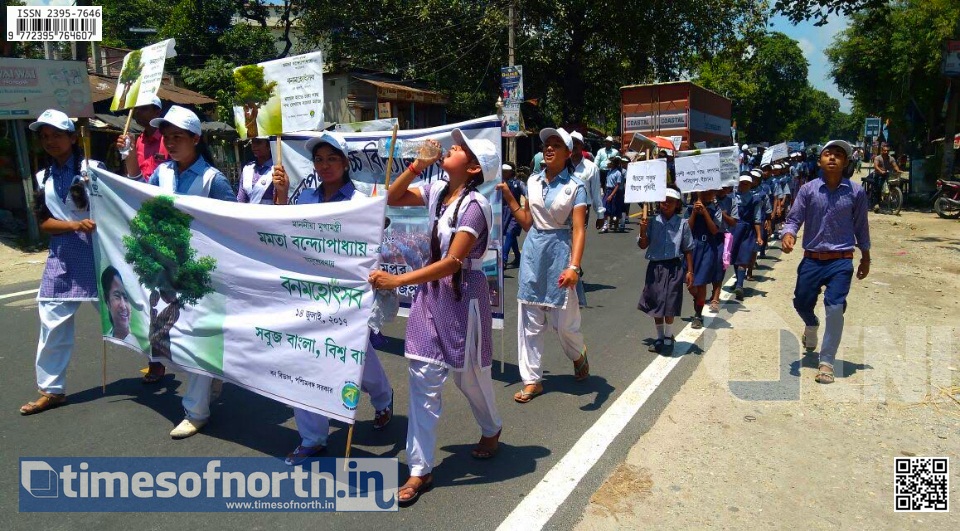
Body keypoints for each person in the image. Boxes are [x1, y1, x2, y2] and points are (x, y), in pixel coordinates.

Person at [369, 129, 503, 506]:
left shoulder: (476, 204)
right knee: (422, 376)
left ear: (474, 167)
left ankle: (491, 427)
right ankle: (420, 469)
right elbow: (392, 197)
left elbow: (451, 262)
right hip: (431, 297)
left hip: (462, 296)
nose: (453, 146)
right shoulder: (437, 192)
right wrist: (416, 165)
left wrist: (397, 279)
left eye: (462, 148)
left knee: (469, 376)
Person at [272, 131, 394, 464]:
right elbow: (284, 235)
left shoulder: (360, 202)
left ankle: (382, 398)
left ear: (345, 163)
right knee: (304, 360)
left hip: (347, 299)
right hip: (308, 296)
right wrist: (281, 196)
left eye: (332, 159)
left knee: (357, 359)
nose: (325, 166)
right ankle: (312, 437)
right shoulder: (305, 200)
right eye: (319, 160)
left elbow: (373, 243)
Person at [146, 105, 237, 439]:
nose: (170, 143)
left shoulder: (214, 179)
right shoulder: (161, 174)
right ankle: (210, 379)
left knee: (197, 336)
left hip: (202, 273)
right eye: (166, 137)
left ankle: (196, 411)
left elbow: (230, 224)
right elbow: (146, 208)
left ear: (196, 139)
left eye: (177, 137)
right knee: (170, 335)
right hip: (168, 270)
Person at [20, 109, 105, 415]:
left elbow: (114, 206)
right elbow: (44, 222)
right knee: (52, 326)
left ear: (72, 137)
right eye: (44, 136)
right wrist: (73, 226)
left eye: (56, 134)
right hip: (62, 259)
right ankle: (51, 390)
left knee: (124, 317)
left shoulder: (93, 169)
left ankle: (159, 362)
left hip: (98, 255)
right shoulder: (42, 178)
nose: (50, 141)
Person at [500, 127, 590, 404]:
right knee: (529, 322)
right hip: (533, 254)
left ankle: (578, 354)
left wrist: (574, 267)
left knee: (564, 324)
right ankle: (532, 380)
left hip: (560, 256)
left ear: (568, 153)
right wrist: (510, 198)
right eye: (546, 145)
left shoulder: (575, 187)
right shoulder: (533, 182)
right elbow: (528, 223)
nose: (548, 149)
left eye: (556, 145)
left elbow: (578, 229)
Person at [782, 140, 871, 384]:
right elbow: (793, 218)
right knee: (801, 302)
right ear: (820, 161)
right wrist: (788, 234)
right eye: (828, 154)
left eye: (838, 155)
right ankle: (811, 324)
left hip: (841, 261)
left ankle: (826, 361)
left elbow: (861, 227)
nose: (832, 158)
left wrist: (866, 257)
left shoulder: (856, 192)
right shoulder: (808, 190)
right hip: (812, 259)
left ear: (846, 162)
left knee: (835, 308)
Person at [114, 95, 170, 383]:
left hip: (170, 225)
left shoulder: (169, 138)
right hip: (144, 222)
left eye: (143, 109)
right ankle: (156, 358)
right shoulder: (134, 141)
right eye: (134, 110)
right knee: (148, 292)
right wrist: (127, 155)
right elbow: (134, 177)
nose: (136, 115)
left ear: (156, 111)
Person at [637, 188, 694, 352]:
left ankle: (669, 337)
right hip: (655, 267)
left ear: (677, 204)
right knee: (656, 302)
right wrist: (642, 231)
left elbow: (688, 248)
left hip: (674, 267)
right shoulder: (653, 222)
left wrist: (690, 271)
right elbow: (643, 244)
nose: (666, 204)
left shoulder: (682, 224)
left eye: (671, 201)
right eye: (663, 200)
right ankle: (660, 337)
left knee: (670, 302)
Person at [685, 190, 722, 329]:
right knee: (691, 284)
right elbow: (687, 228)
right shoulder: (689, 209)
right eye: (703, 193)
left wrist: (705, 212)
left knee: (701, 283)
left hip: (707, 249)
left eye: (709, 193)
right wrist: (694, 212)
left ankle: (698, 314)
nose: (706, 195)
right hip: (691, 249)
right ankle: (698, 299)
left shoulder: (716, 210)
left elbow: (714, 230)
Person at [115, 95, 168, 182]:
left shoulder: (167, 140)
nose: (137, 112)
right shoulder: (139, 140)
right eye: (136, 108)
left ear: (157, 112)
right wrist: (126, 153)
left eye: (144, 108)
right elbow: (133, 173)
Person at [730, 173, 763, 301]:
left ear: (750, 185)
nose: (743, 185)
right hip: (734, 230)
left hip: (747, 232)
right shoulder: (731, 197)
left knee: (743, 257)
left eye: (746, 183)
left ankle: (739, 285)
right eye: (741, 183)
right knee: (734, 257)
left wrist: (759, 236)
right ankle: (738, 280)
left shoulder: (755, 200)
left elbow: (757, 219)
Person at [711, 185, 739, 311]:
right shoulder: (709, 199)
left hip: (724, 237)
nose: (722, 189)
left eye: (725, 188)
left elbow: (733, 222)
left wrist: (722, 214)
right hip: (709, 236)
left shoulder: (732, 201)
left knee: (720, 267)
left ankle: (716, 297)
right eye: (720, 187)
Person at [570, 131, 604, 230]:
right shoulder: (562, 165)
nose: (574, 145)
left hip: (583, 209)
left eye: (577, 143)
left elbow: (596, 193)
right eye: (572, 143)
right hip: (563, 209)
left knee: (578, 241)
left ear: (582, 145)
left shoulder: (591, 167)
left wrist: (600, 215)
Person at [501, 162, 526, 269]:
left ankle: (504, 259)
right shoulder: (500, 182)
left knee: (510, 232)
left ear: (511, 172)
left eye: (506, 171)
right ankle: (518, 257)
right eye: (503, 171)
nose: (504, 173)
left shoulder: (518, 183)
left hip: (515, 212)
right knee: (511, 235)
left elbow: (527, 193)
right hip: (503, 212)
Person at [237, 137, 275, 204]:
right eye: (253, 142)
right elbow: (241, 199)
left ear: (269, 145)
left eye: (258, 142)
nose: (254, 146)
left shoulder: (277, 169)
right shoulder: (247, 168)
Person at [101, 266, 132, 342]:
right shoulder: (105, 342)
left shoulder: (141, 346)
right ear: (106, 300)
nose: (123, 306)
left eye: (126, 297)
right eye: (117, 296)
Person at [871, 143, 901, 211]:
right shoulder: (878, 158)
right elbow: (876, 166)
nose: (886, 152)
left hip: (887, 174)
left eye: (887, 151)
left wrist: (898, 170)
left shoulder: (891, 158)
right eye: (885, 150)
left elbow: (895, 165)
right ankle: (876, 203)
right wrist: (880, 171)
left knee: (893, 183)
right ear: (882, 151)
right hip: (878, 174)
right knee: (878, 187)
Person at [601, 156, 623, 233]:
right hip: (607, 191)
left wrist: (611, 195)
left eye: (609, 162)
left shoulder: (618, 173)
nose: (608, 163)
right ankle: (605, 225)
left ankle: (616, 223)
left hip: (614, 192)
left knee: (614, 210)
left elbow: (617, 185)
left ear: (613, 163)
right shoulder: (609, 171)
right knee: (604, 208)